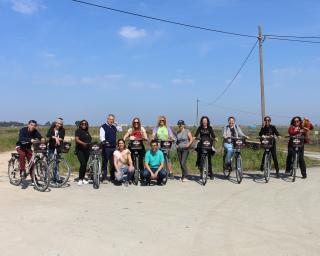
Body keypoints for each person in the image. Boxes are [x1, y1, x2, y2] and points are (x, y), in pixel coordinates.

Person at [100, 114, 122, 182]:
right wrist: (104, 142)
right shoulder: (103, 127)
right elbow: (102, 137)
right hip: (106, 147)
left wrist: (116, 123)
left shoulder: (114, 127)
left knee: (113, 163)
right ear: (107, 119)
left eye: (112, 119)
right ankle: (104, 178)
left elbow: (120, 129)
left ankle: (112, 177)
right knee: (105, 162)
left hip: (113, 147)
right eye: (110, 119)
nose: (111, 121)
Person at [75, 120, 92, 185]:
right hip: (80, 150)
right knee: (83, 163)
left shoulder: (87, 131)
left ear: (87, 125)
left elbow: (89, 140)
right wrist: (83, 143)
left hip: (87, 150)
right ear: (80, 124)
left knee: (85, 165)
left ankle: (83, 178)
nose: (84, 125)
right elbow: (77, 139)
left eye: (85, 124)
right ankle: (80, 179)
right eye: (82, 124)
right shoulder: (78, 131)